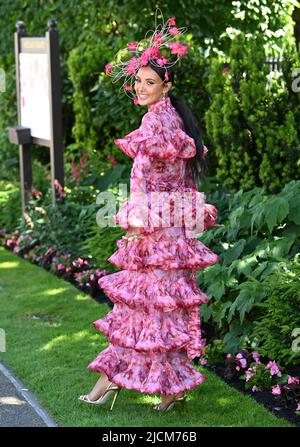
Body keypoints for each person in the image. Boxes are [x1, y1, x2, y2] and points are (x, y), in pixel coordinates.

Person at [79, 14, 220, 412]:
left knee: (142, 311)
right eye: (138, 81)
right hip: (172, 233)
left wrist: (137, 227)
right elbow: (184, 183)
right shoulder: (175, 121)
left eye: (149, 82)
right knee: (153, 312)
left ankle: (124, 384)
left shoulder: (155, 124)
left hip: (154, 233)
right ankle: (152, 387)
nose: (140, 88)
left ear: (166, 86)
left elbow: (141, 180)